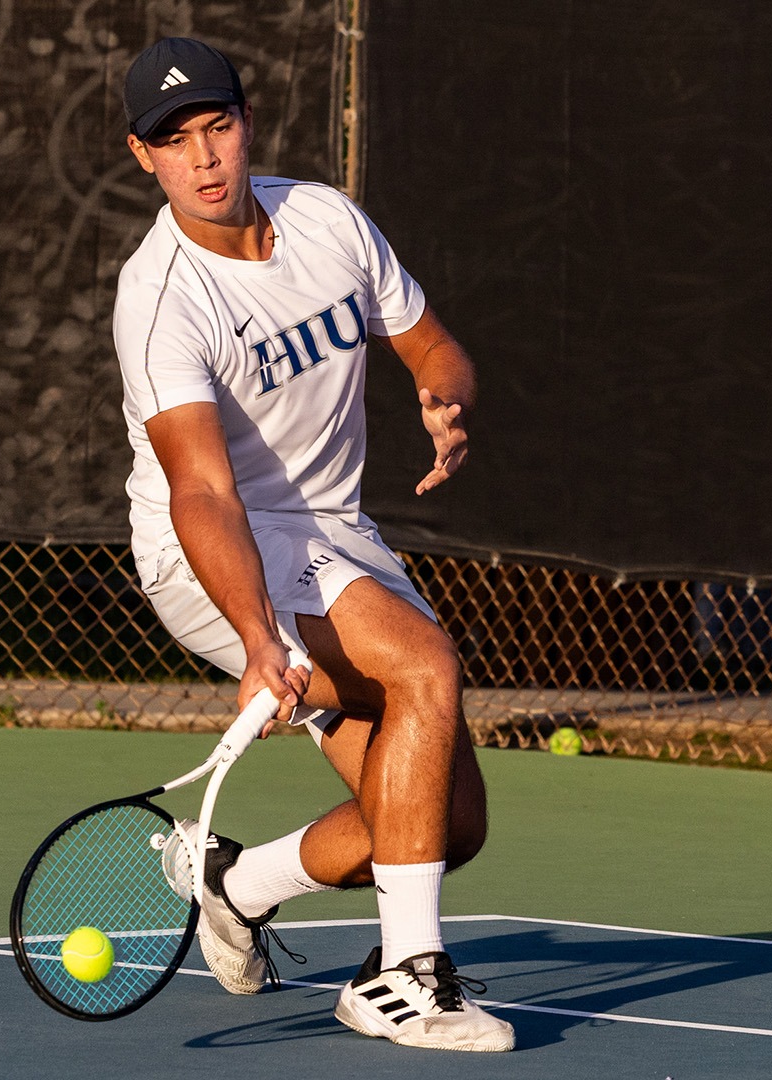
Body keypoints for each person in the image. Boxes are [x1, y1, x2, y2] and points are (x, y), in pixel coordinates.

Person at [110, 37, 513, 1053]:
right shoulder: (161, 299)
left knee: (441, 819)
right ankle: (406, 982)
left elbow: (434, 347)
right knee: (425, 664)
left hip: (337, 537)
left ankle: (236, 886)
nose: (201, 157)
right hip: (208, 550)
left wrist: (446, 399)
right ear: (140, 156)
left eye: (216, 127)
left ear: (247, 125)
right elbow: (200, 488)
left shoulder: (326, 219)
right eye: (174, 141)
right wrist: (255, 638)